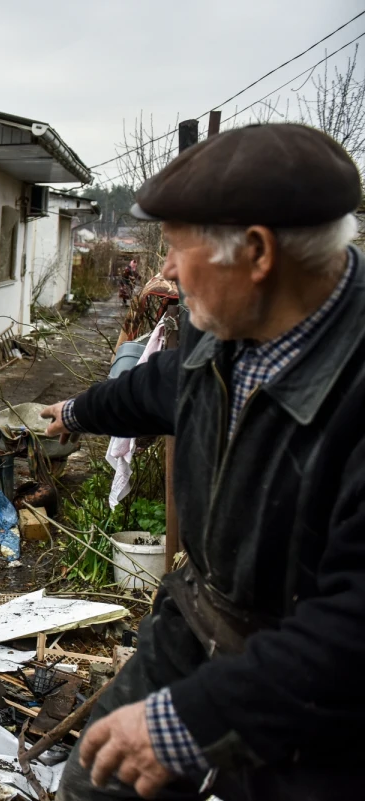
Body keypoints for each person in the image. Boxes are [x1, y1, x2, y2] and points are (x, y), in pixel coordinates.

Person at [40, 124, 364, 800]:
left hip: (318, 689)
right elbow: (160, 389)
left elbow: (351, 627)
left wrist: (188, 720)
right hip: (205, 617)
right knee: (96, 782)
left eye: (177, 250)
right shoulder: (226, 329)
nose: (165, 272)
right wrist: (75, 412)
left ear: (256, 251)